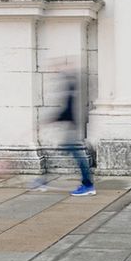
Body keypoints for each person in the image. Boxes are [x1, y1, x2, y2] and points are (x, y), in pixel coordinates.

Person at [32, 61, 95, 197]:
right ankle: (44, 181)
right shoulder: (71, 86)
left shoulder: (70, 86)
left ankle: (88, 185)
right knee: (65, 151)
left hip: (71, 127)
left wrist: (48, 121)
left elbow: (66, 111)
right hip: (70, 126)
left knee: (77, 156)